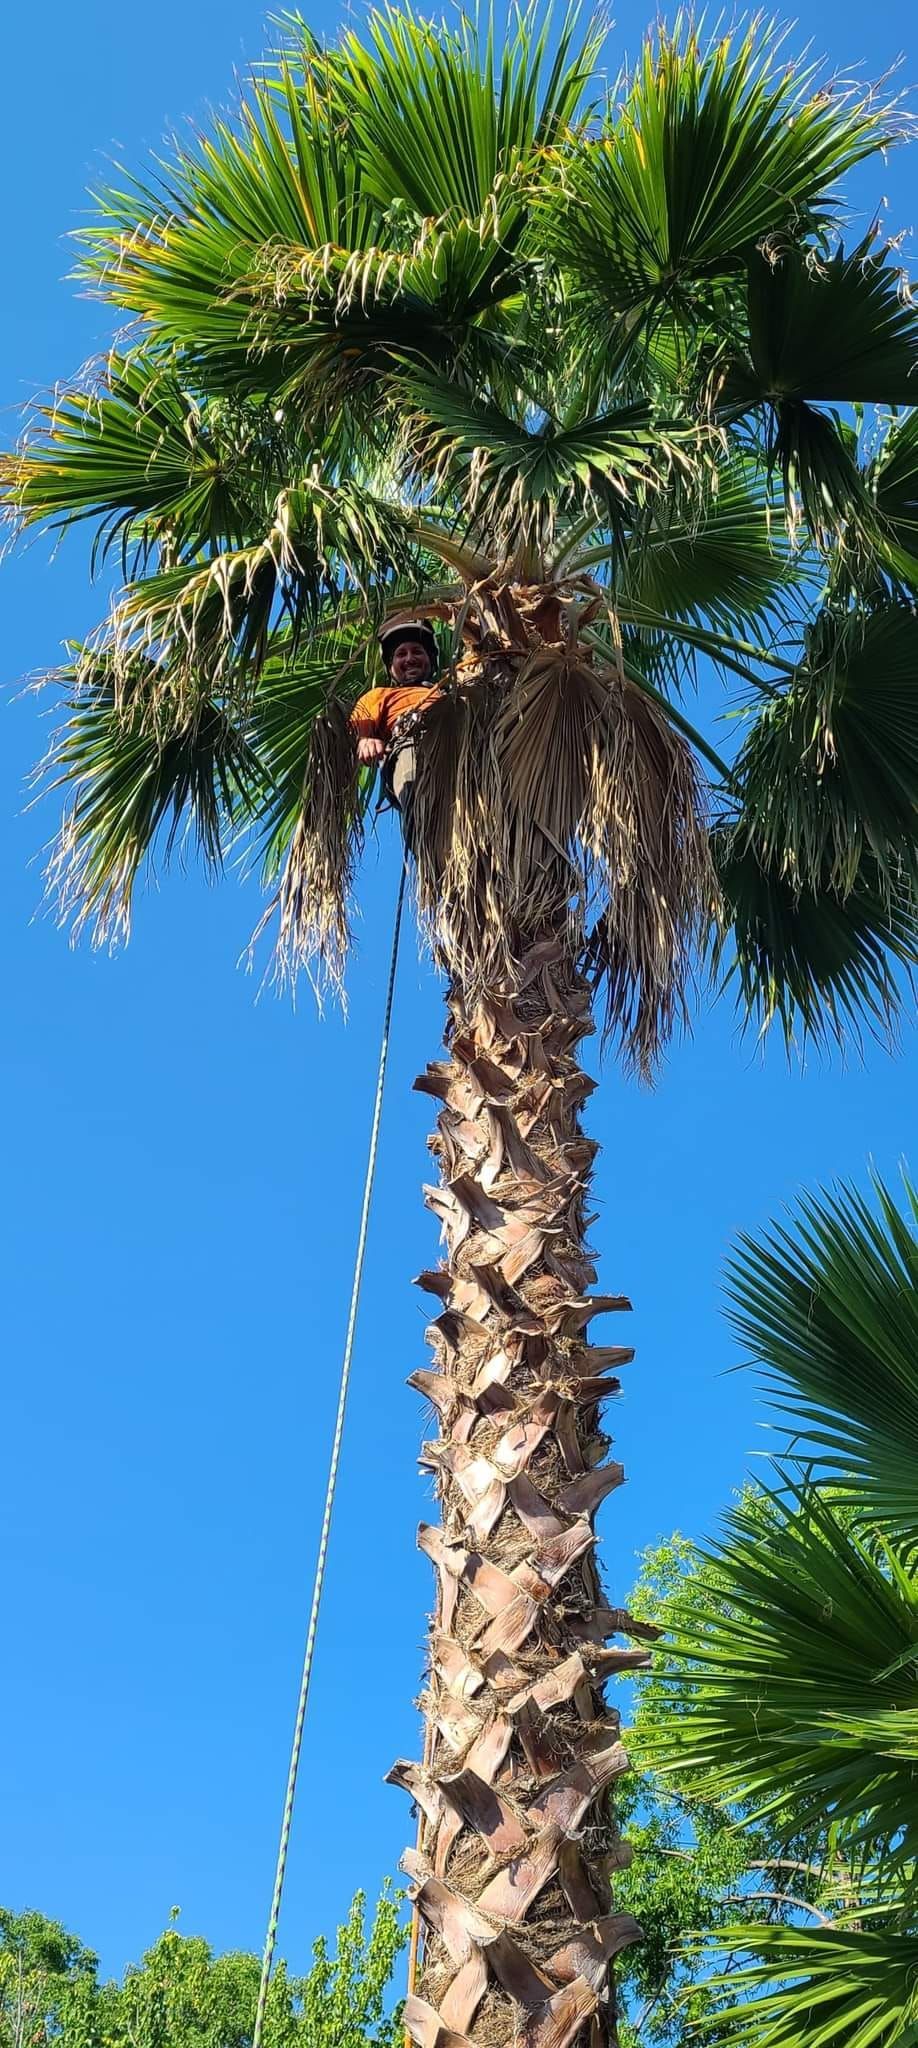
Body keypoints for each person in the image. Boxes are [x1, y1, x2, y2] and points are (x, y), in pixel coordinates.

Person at [349, 618, 442, 842]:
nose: (409, 658)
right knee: (419, 793)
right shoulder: (379, 695)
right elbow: (362, 733)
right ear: (392, 668)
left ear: (430, 659)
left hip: (461, 750)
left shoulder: (450, 690)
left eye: (417, 651)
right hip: (411, 749)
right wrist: (366, 741)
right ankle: (432, 845)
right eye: (401, 654)